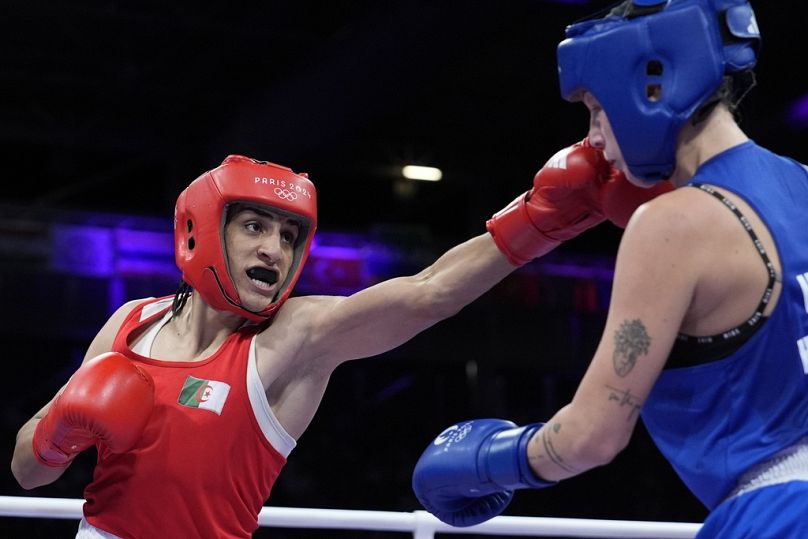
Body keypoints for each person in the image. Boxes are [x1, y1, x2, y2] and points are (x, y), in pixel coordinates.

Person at [10, 149, 667, 538]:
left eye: (290, 235)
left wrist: (541, 219)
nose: (275, 248)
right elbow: (27, 470)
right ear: (201, 230)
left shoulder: (292, 339)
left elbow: (428, 291)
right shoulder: (129, 322)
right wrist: (59, 435)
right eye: (256, 227)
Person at [412, 1, 808, 537]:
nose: (594, 137)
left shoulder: (673, 223)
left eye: (596, 108)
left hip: (779, 511)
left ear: (652, 86)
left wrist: (485, 459)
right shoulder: (802, 182)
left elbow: (591, 437)